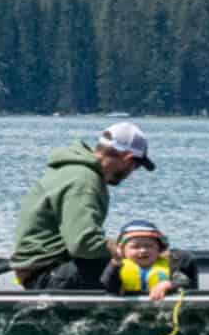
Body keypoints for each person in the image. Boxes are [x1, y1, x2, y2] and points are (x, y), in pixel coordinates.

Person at [11, 120, 155, 288]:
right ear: (128, 159)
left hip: (45, 268)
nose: (131, 173)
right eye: (135, 167)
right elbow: (83, 244)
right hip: (47, 273)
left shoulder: (76, 172)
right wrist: (127, 250)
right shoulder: (84, 181)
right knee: (151, 266)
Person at [100, 219, 195, 299]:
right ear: (122, 250)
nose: (143, 250)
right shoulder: (118, 266)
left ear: (159, 249)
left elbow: (186, 283)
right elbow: (108, 286)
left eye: (149, 246)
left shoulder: (170, 265)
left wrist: (168, 285)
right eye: (135, 247)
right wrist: (116, 262)